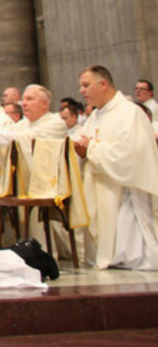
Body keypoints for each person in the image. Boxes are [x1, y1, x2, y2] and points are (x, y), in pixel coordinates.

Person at [74, 65, 158, 269]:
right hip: (99, 185)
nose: (81, 91)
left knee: (132, 257)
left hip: (125, 193)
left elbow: (129, 156)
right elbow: (81, 141)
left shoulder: (130, 113)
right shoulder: (96, 115)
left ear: (103, 84)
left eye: (86, 85)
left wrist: (90, 149)